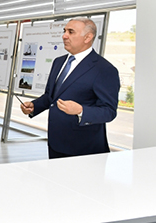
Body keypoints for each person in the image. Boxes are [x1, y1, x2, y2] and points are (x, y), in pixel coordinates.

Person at [20, 18, 120, 158]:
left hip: (84, 149)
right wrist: (34, 106)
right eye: (65, 31)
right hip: (55, 143)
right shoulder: (58, 62)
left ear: (87, 37)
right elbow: (51, 96)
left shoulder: (104, 69)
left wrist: (81, 111)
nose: (64, 36)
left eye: (71, 32)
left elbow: (109, 111)